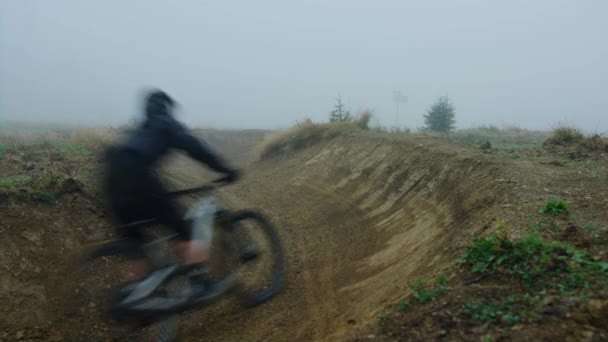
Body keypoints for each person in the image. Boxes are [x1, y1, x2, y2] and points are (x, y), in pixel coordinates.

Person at [103, 89, 239, 297]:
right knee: (183, 229)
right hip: (137, 175)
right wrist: (225, 169)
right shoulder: (165, 123)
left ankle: (136, 298)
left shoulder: (141, 129)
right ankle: (199, 282)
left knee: (136, 243)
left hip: (111, 181)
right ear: (166, 109)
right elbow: (195, 148)